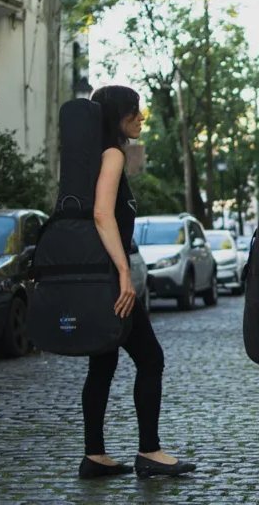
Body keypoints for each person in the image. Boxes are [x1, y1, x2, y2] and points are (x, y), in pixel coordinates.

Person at [80, 86, 196, 479]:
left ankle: (94, 456)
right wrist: (125, 273)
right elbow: (101, 214)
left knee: (103, 362)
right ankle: (149, 451)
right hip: (111, 278)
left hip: (93, 276)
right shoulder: (112, 154)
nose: (142, 118)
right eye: (136, 112)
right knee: (150, 358)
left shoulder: (84, 155)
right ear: (119, 117)